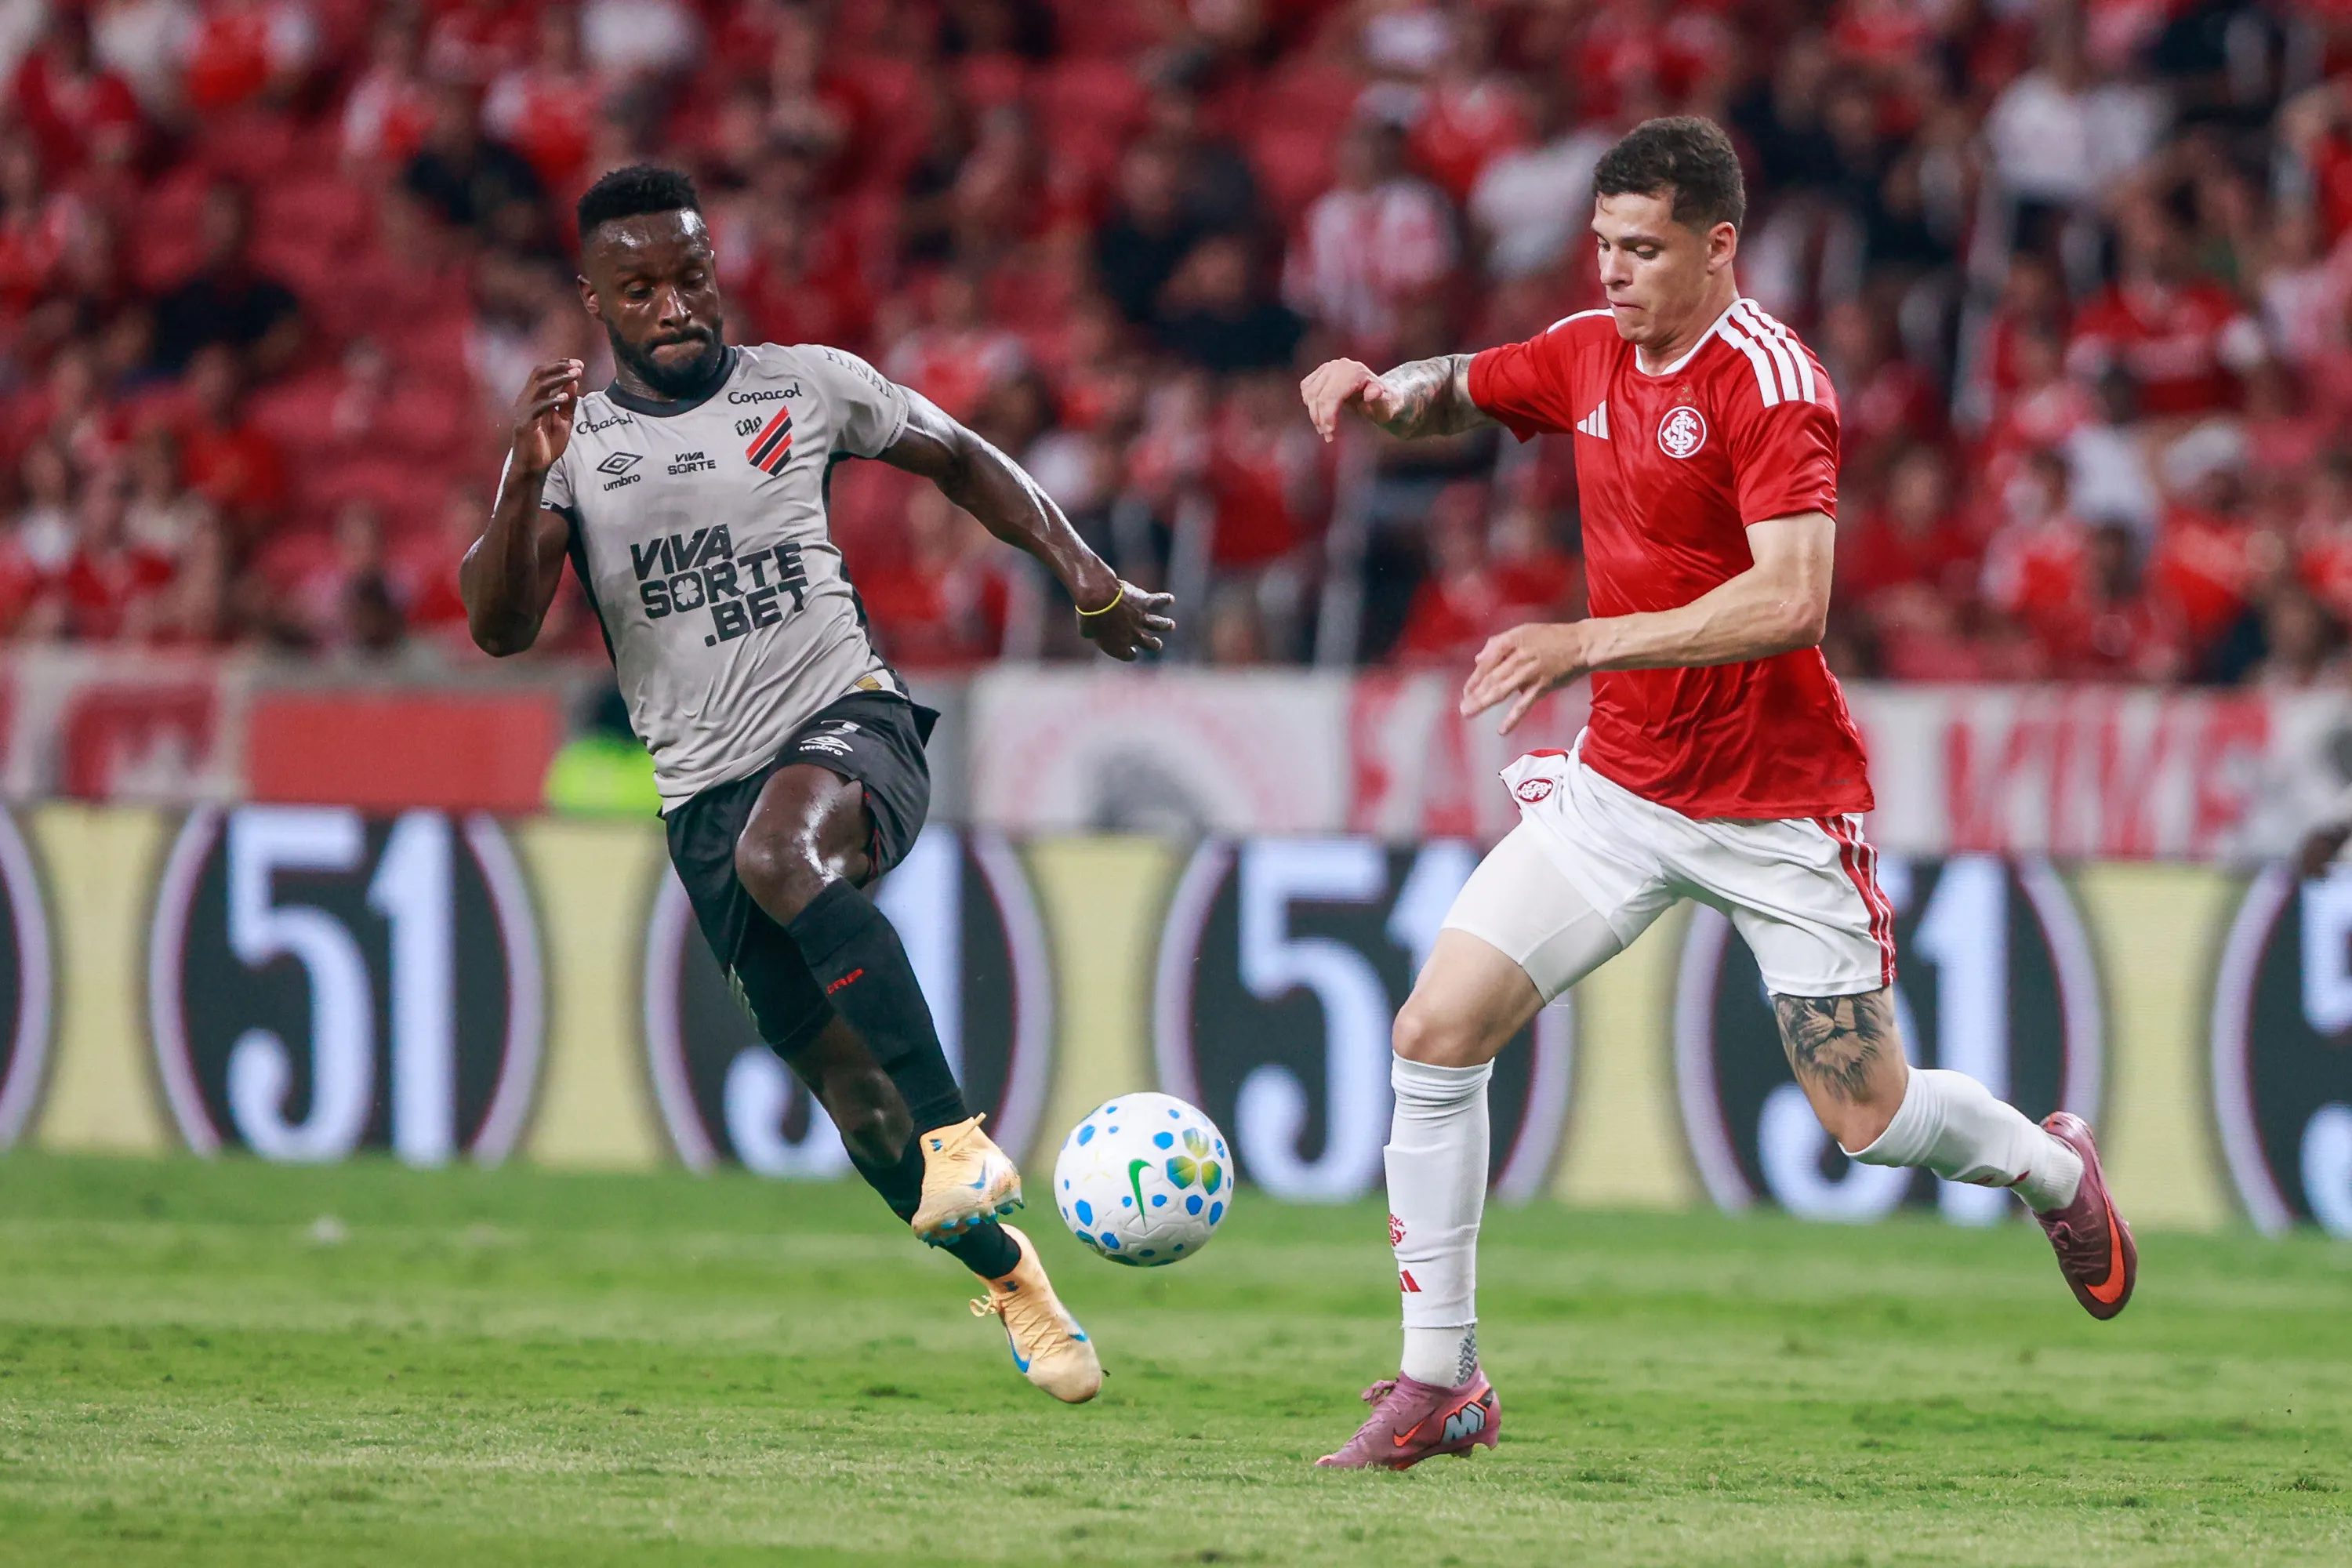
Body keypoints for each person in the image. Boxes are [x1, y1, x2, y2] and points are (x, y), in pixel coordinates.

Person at [1298, 117, 2136, 1472]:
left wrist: (1583, 643)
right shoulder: (1587, 348)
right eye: (1603, 247)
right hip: (1620, 791)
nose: (1615, 274)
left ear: (1719, 246)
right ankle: (1439, 1379)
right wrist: (1381, 386)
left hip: (1776, 808)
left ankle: (2054, 1170)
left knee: (1870, 1122)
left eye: (1643, 251)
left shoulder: (1774, 384)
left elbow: (1791, 598)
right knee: (1436, 1030)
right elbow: (1474, 384)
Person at [460, 165, 1173, 1405]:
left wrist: (1087, 574)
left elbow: (959, 455)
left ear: (715, 267)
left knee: (785, 859)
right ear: (596, 300)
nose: (674, 306)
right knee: (852, 1099)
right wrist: (523, 474)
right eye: (641, 290)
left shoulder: (806, 383)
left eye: (690, 277)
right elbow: (502, 627)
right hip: (701, 794)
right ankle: (1014, 1283)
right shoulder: (577, 452)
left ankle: (961, 1138)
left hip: (848, 723)